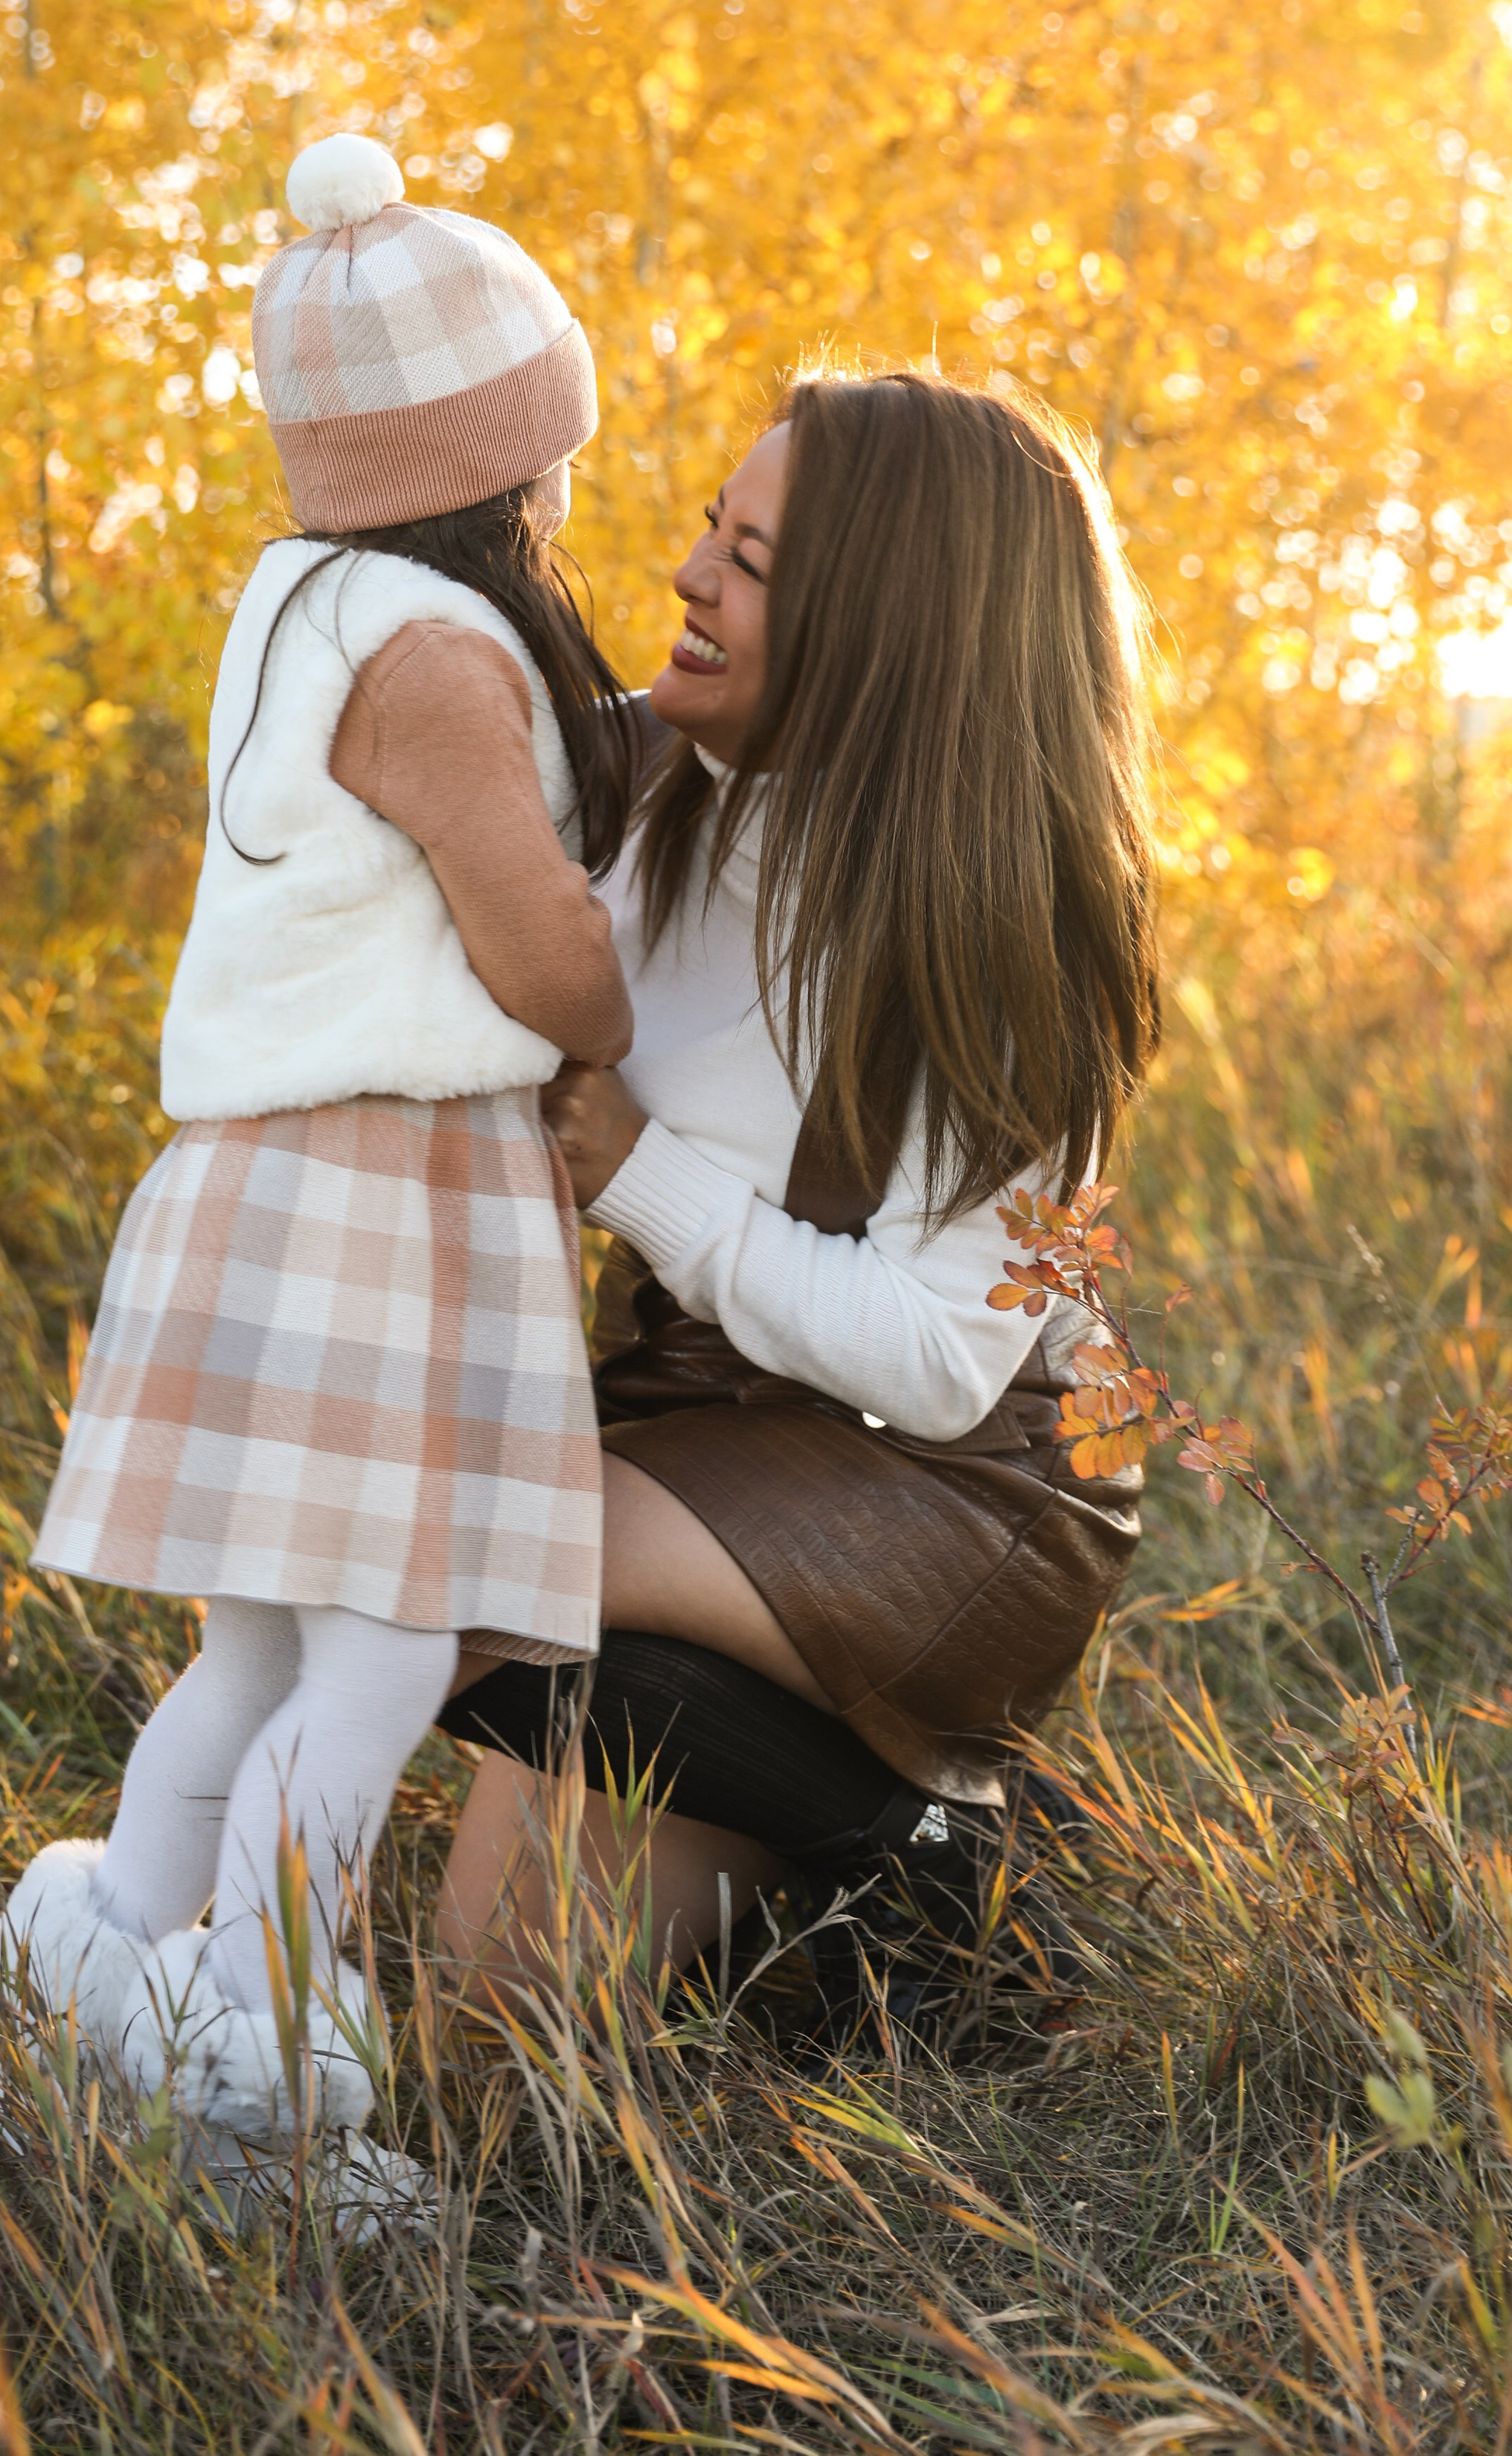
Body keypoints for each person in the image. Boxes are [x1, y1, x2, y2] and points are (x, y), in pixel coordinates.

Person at [0, 134, 637, 2175]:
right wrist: (623, 1017)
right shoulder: (440, 660)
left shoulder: (305, 606)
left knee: (258, 1648)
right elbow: (541, 956)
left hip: (267, 1185)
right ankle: (254, 2047)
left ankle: (118, 1990)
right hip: (388, 1198)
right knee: (389, 1648)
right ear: (515, 449)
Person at [437, 368, 1159, 2013]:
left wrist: (634, 1170)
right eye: (712, 525)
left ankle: (919, 1831)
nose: (688, 573)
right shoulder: (654, 787)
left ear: (879, 633)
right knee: (485, 2028)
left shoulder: (987, 946)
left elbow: (937, 1358)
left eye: (749, 562)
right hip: (700, 1414)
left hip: (942, 1496)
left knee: (436, 1543)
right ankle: (840, 1838)